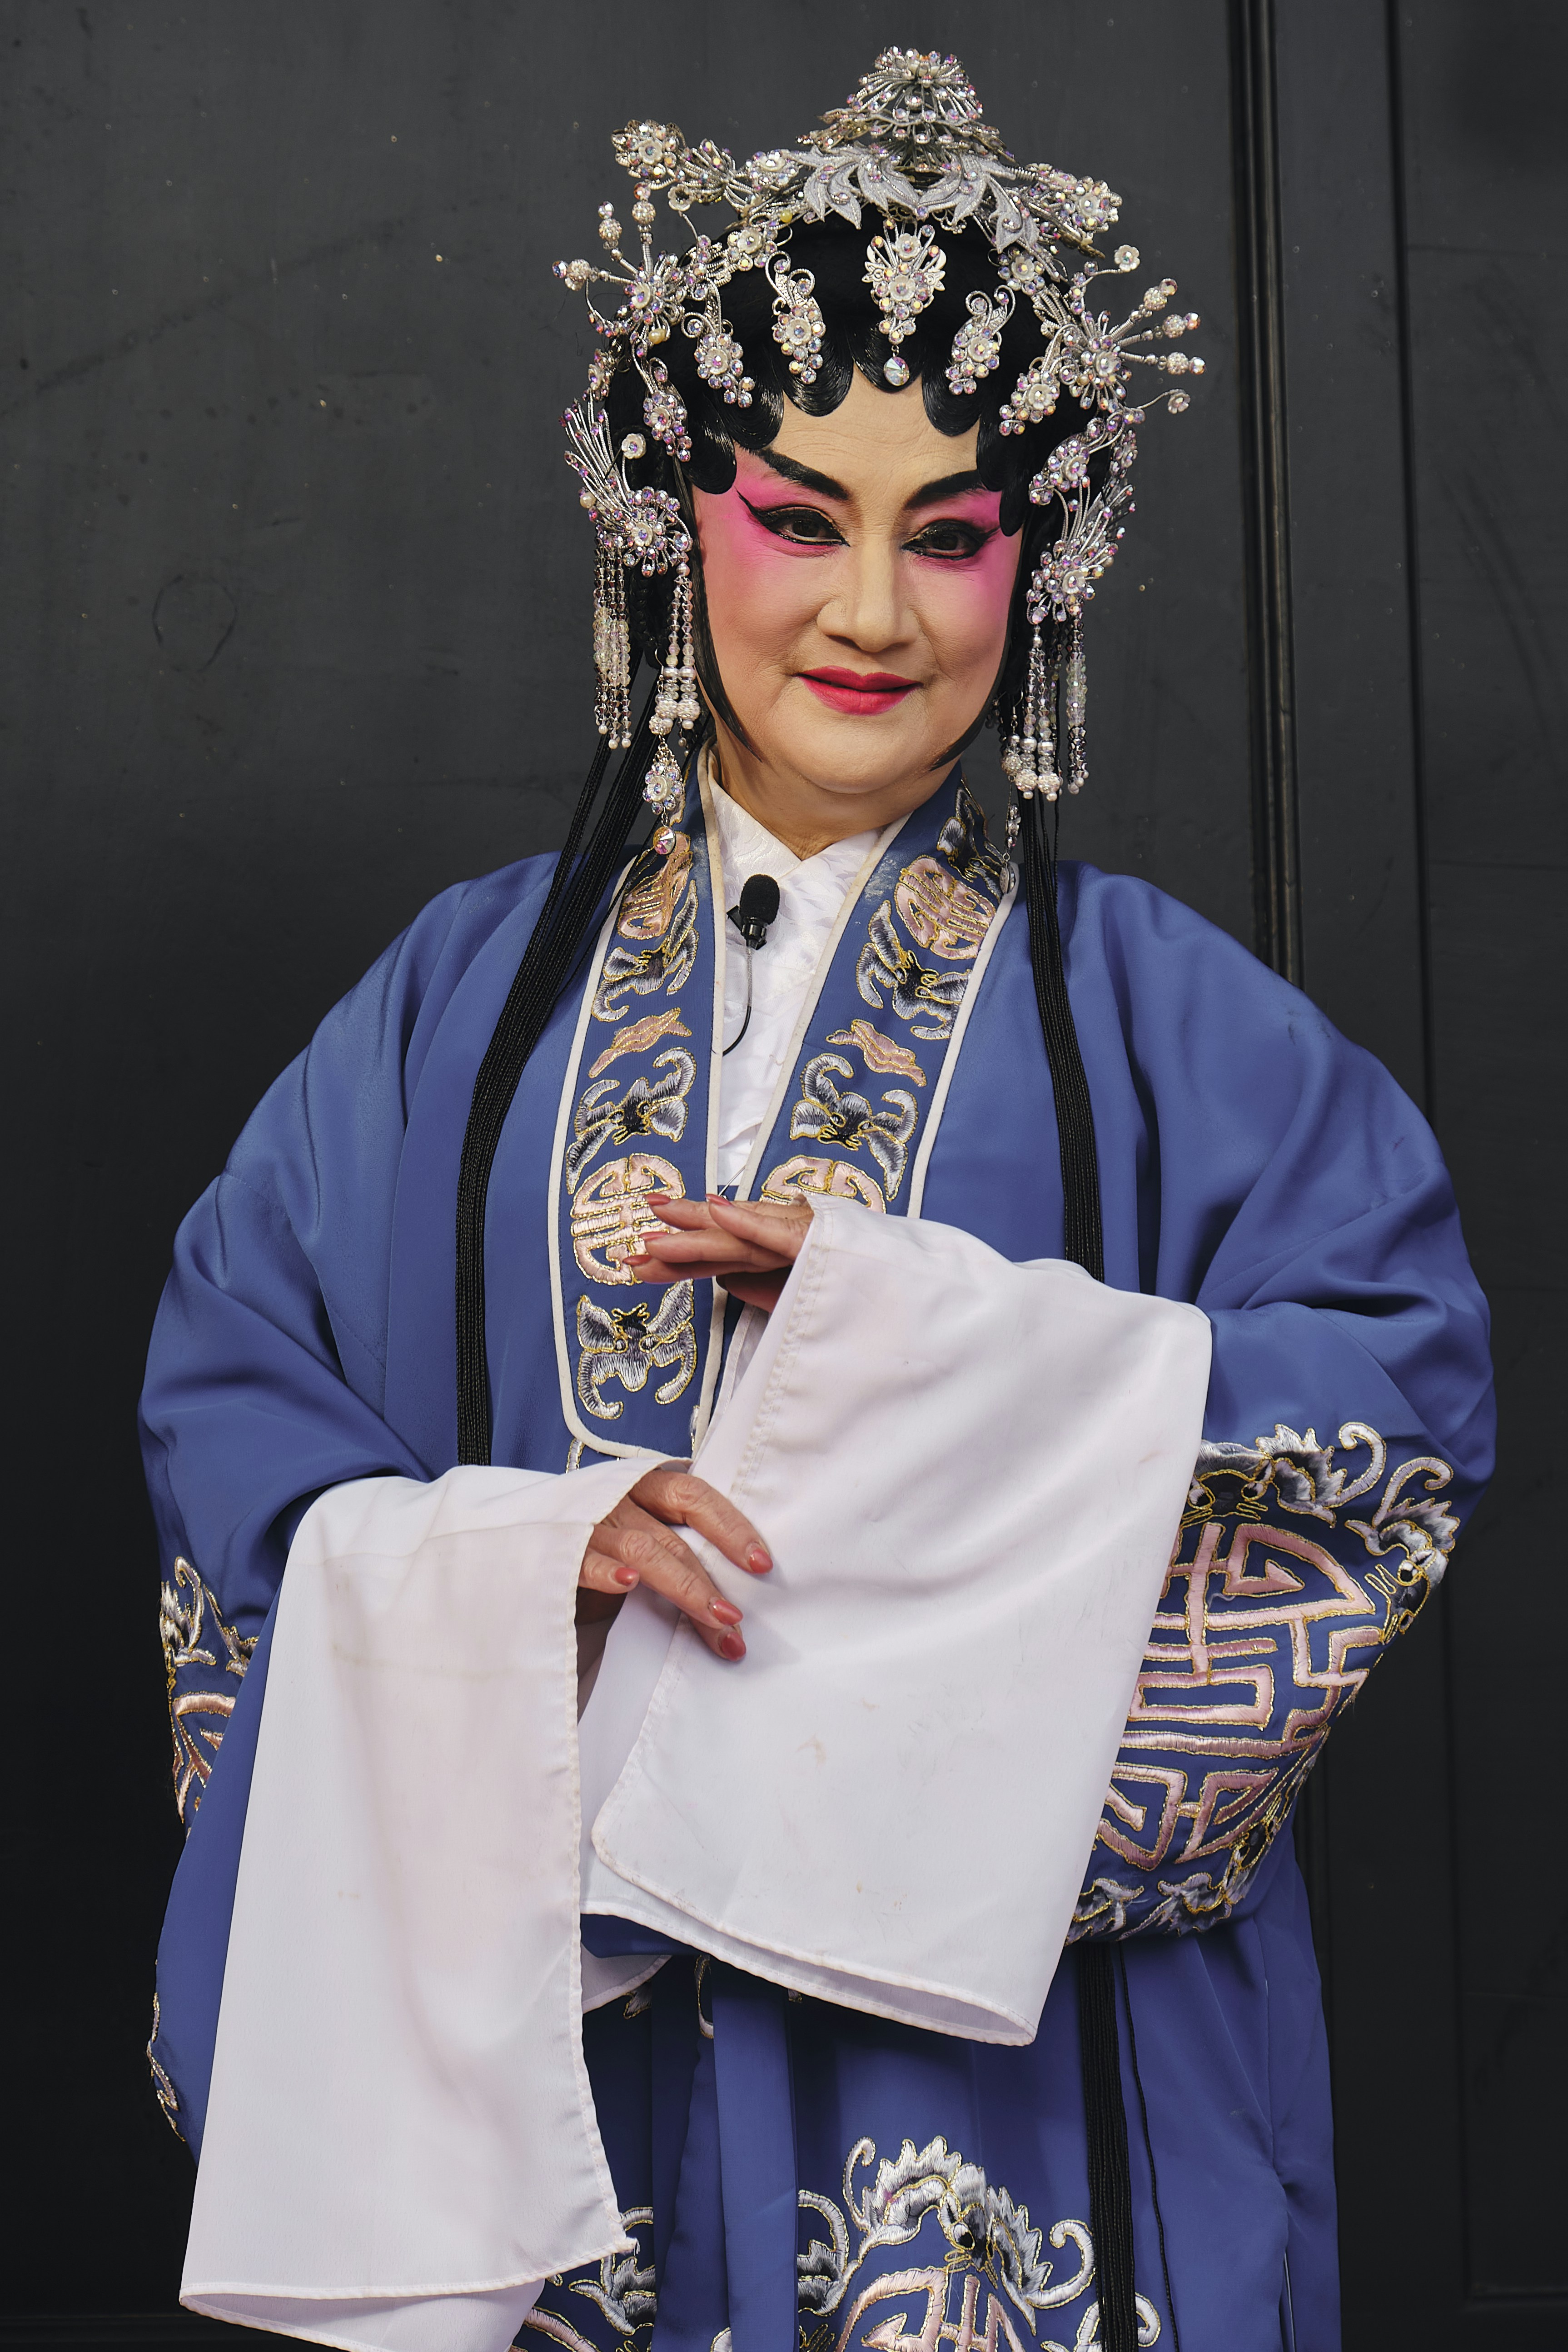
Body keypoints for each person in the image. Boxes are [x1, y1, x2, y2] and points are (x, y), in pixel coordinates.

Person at [143, 51, 1493, 2352]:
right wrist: (512, 1564)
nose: (871, 611)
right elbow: (234, 1395)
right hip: (544, 2048)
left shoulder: (1192, 1034)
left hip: (1009, 2101)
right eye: (799, 515)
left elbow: (1396, 1419)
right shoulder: (447, 1020)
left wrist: (929, 1335)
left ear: (1033, 565)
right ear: (677, 529)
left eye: (949, 533)